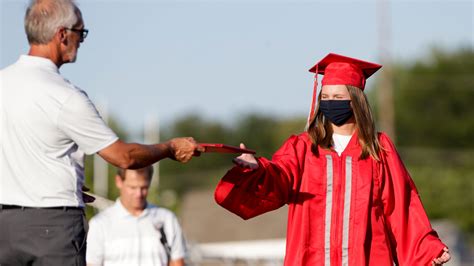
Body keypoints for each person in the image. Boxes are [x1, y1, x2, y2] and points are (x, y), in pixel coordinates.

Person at [0, 0, 203, 265]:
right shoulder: (65, 96)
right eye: (80, 33)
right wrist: (170, 148)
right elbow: (124, 157)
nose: (82, 41)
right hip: (52, 227)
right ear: (62, 34)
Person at [214, 53, 451, 265]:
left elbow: (401, 205)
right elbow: (279, 177)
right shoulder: (303, 148)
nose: (330, 102)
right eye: (325, 96)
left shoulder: (379, 149)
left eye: (338, 96)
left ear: (355, 100)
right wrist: (257, 170)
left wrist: (427, 249)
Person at [86, 166, 186, 266]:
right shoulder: (99, 224)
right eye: (132, 187)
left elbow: (177, 262)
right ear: (119, 181)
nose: (138, 194)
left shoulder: (167, 219)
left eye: (144, 187)